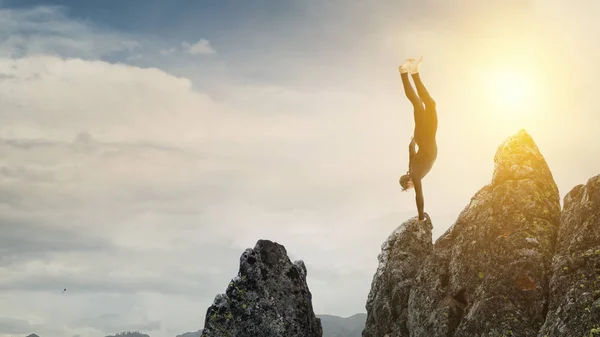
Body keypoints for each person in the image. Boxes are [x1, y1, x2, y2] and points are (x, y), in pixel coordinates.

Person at [397, 56, 438, 221]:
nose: (412, 188)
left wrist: (421, 217)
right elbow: (410, 149)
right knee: (418, 104)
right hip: (421, 137)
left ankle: (412, 72)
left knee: (430, 105)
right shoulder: (411, 167)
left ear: (408, 183)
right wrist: (414, 138)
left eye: (408, 187)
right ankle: (407, 73)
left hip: (428, 138)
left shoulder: (415, 176)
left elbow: (419, 197)